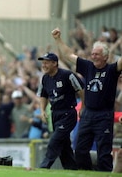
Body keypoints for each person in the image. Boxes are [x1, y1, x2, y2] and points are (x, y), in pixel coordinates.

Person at [51, 27, 122, 172]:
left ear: (105, 57)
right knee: (80, 150)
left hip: (104, 115)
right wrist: (58, 39)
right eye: (92, 54)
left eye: (97, 54)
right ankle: (87, 174)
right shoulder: (88, 67)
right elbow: (68, 55)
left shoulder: (112, 70)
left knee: (104, 153)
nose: (94, 56)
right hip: (88, 114)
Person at [36, 52, 84, 169]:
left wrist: (83, 107)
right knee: (64, 144)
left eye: (46, 63)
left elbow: (81, 90)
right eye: (43, 63)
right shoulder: (45, 78)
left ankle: (44, 166)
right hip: (55, 114)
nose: (44, 65)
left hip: (68, 113)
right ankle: (71, 168)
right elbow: (43, 95)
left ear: (54, 63)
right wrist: (42, 110)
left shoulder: (67, 75)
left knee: (55, 140)